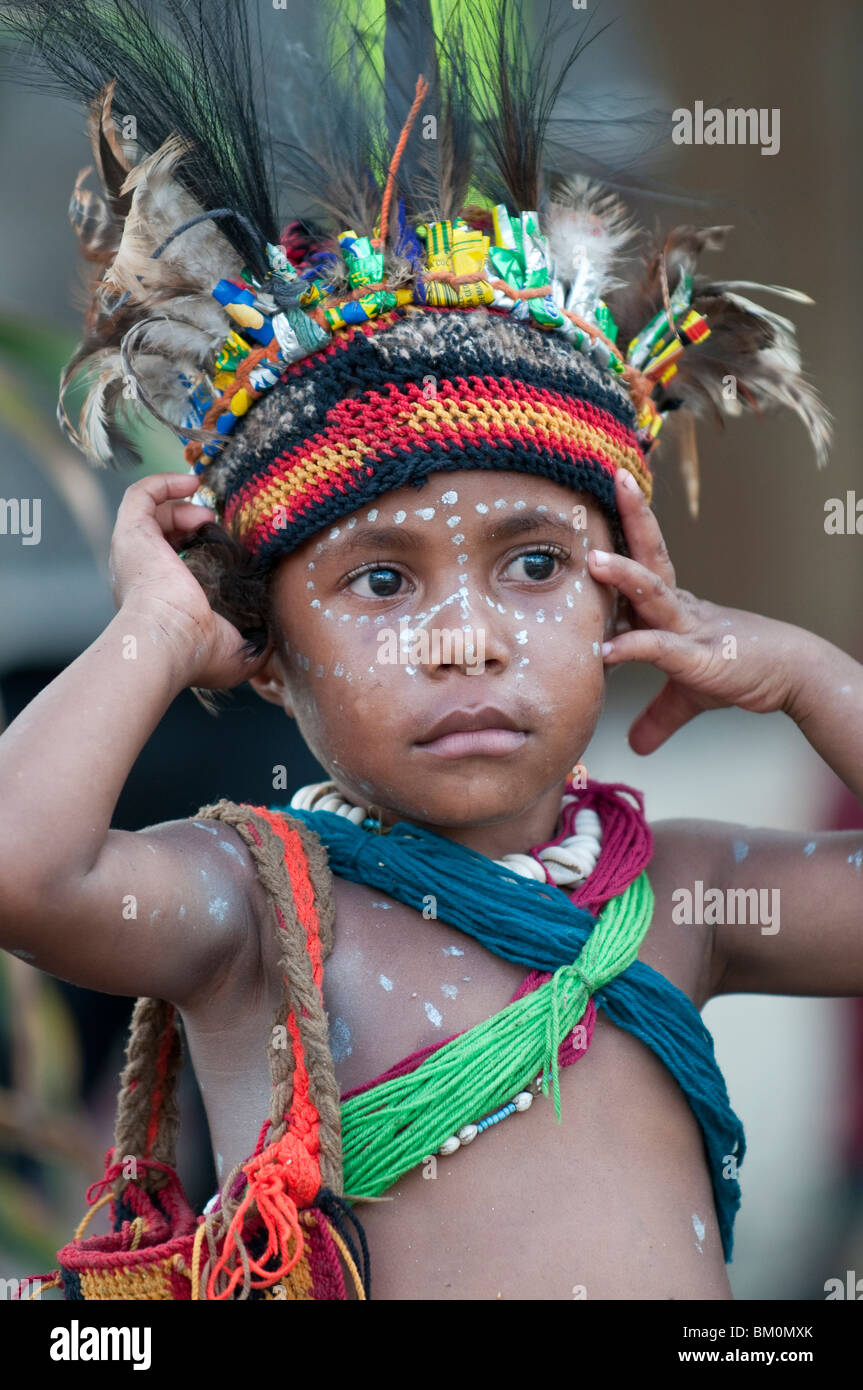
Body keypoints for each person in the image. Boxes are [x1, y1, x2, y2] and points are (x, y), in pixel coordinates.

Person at [1, 0, 860, 1301]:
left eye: (534, 564)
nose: (466, 636)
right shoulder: (254, 911)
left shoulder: (675, 900)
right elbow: (20, 867)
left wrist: (804, 671)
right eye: (382, 578)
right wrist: (156, 631)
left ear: (622, 604)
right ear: (269, 650)